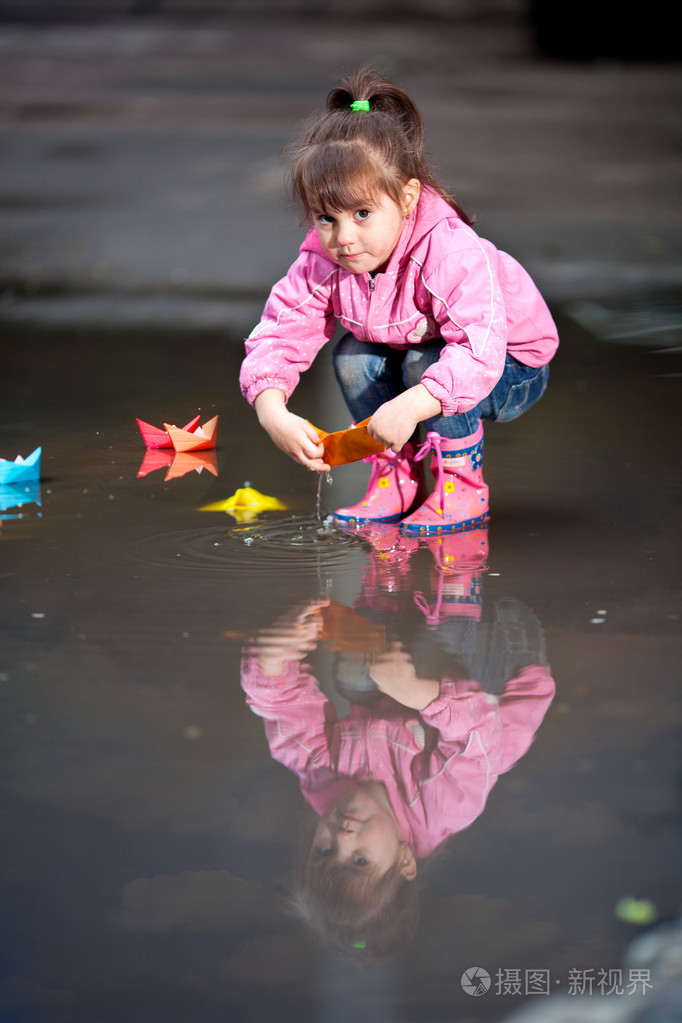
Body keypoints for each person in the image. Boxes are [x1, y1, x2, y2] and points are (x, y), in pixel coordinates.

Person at [240, 67, 559, 533]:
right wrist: (272, 412)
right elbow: (279, 330)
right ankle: (395, 476)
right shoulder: (322, 261)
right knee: (353, 356)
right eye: (326, 218)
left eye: (363, 213)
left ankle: (461, 489)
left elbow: (477, 351)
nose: (344, 238)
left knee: (422, 366)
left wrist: (410, 407)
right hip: (421, 355)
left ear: (407, 197)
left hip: (510, 368)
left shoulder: (451, 254)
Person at [241, 594, 555, 958]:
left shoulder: (322, 778)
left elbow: (282, 710)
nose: (341, 835)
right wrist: (416, 693)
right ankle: (459, 573)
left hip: (420, 673)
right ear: (405, 860)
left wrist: (273, 654)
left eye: (324, 850)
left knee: (352, 677)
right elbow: (481, 732)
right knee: (435, 657)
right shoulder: (445, 807)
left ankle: (387, 576)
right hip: (505, 664)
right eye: (360, 860)